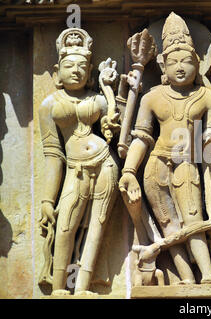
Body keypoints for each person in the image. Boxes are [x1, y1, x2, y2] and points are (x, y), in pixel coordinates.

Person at [118, 12, 211, 285]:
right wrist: (129, 171)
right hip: (156, 164)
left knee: (193, 219)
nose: (180, 67)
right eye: (173, 61)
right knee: (169, 224)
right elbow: (142, 138)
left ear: (197, 62)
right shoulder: (152, 97)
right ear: (162, 66)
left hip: (187, 163)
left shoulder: (207, 97)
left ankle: (206, 274)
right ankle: (186, 279)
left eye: (186, 61)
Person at [38, 28, 120, 295]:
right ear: (56, 71)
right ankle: (60, 288)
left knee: (97, 228)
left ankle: (84, 288)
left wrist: (108, 88)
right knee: (65, 227)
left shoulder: (96, 98)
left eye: (82, 66)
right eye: (69, 65)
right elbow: (53, 155)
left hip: (105, 164)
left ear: (91, 70)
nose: (76, 70)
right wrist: (48, 200)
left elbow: (112, 125)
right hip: (75, 168)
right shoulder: (49, 106)